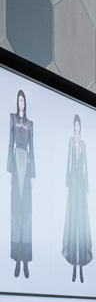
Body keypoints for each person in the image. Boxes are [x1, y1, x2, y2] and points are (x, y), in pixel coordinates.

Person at [62, 114, 93, 283]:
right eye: (75, 124)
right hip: (73, 183)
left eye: (78, 124)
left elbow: (86, 166)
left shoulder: (83, 144)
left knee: (81, 224)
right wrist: (67, 185)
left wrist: (87, 188)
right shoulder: (70, 141)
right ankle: (74, 266)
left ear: (80, 126)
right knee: (73, 223)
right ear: (73, 126)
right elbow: (68, 162)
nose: (76, 127)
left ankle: (81, 267)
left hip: (81, 184)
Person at [8, 89, 34, 279]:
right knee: (16, 213)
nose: (21, 103)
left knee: (27, 215)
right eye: (19, 100)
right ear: (17, 103)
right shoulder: (12, 119)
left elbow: (32, 148)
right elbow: (10, 143)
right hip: (16, 164)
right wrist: (9, 170)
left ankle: (25, 261)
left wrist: (33, 175)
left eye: (23, 100)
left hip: (27, 163)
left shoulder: (30, 124)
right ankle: (17, 259)